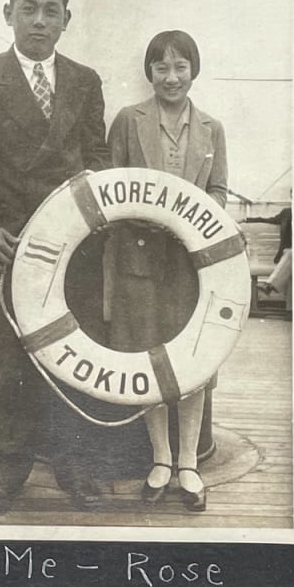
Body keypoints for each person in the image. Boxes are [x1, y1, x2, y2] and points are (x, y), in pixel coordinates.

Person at [0, 0, 110, 513]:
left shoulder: (85, 81)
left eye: (52, 10)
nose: (40, 20)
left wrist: (88, 218)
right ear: (8, 12)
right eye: (30, 8)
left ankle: (74, 466)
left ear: (67, 19)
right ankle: (7, 468)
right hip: (9, 248)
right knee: (11, 360)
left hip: (72, 250)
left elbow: (98, 159)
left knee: (73, 355)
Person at [105, 30, 229, 513]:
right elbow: (110, 190)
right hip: (139, 261)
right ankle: (159, 459)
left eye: (180, 67)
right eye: (161, 67)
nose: (171, 76)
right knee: (147, 356)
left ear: (193, 70)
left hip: (190, 266)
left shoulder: (213, 129)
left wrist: (190, 219)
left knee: (194, 361)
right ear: (149, 72)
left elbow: (219, 192)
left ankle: (188, 462)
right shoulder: (127, 121)